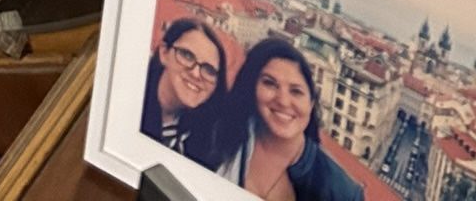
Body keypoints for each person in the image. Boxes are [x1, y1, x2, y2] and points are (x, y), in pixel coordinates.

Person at [213, 37, 361, 201]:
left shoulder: (341, 192)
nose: (283, 101)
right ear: (251, 88)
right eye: (270, 84)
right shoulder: (217, 136)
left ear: (311, 103)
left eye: (296, 91)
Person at [139, 16, 230, 164]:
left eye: (209, 70)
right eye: (187, 56)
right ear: (164, 53)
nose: (195, 73)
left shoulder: (209, 142)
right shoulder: (132, 100)